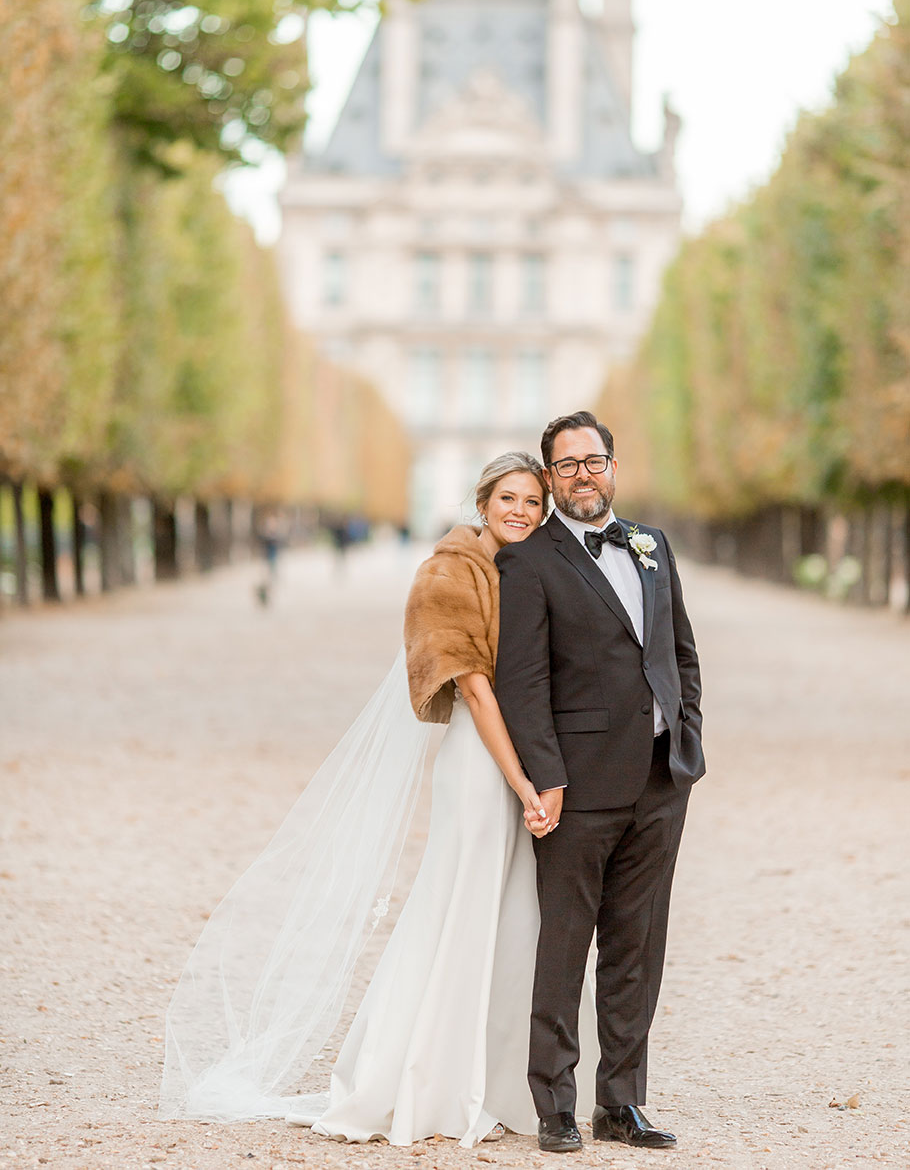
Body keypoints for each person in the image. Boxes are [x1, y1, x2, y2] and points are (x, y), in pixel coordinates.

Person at [160, 452, 597, 1146]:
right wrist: (522, 780)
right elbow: (477, 688)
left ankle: (502, 1072)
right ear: (481, 502)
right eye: (509, 497)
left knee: (512, 914)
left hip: (524, 761)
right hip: (484, 766)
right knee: (459, 907)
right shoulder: (449, 571)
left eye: (533, 501)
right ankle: (429, 1075)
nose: (521, 510)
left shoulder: (519, 567)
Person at [495, 411, 706, 1154]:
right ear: (550, 478)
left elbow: (680, 654)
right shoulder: (528, 560)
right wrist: (545, 778)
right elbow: (521, 683)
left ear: (613, 465)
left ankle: (622, 1103)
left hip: (660, 780)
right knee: (565, 944)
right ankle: (554, 1100)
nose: (583, 474)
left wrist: (689, 740)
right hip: (576, 788)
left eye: (595, 460)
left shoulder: (654, 546)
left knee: (636, 946)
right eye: (567, 465)